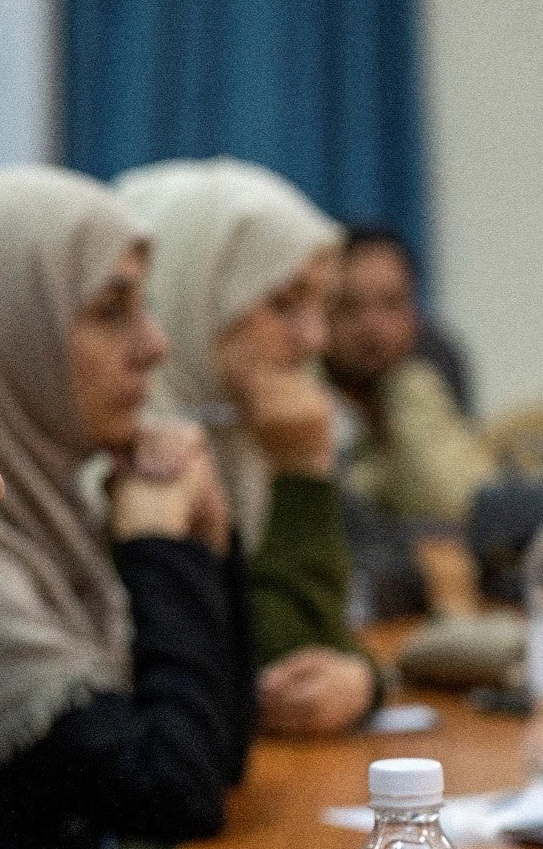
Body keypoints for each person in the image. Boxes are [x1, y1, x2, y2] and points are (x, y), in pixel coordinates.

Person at [0, 167, 254, 849]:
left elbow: (221, 752)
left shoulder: (57, 509)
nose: (154, 345)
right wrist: (164, 552)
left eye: (146, 308)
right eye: (111, 310)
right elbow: (178, 790)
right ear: (9, 331)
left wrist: (207, 545)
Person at [115, 157, 378, 736]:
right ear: (191, 290)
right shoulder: (119, 452)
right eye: (284, 303)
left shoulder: (238, 432)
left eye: (321, 307)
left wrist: (362, 681)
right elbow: (266, 673)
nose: (315, 339)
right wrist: (303, 472)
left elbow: (312, 662)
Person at [324, 225, 496, 617]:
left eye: (392, 304)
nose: (373, 327)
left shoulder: (422, 380)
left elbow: (465, 505)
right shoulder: (304, 403)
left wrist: (401, 392)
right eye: (349, 307)